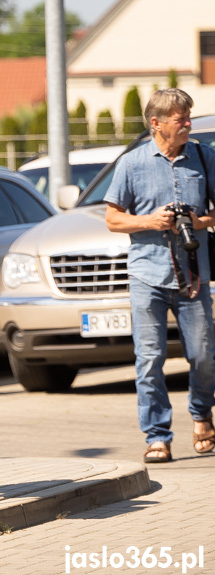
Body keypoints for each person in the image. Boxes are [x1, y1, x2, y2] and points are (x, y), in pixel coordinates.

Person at [104, 88, 215, 463]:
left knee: (202, 356)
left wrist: (201, 221)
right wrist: (151, 221)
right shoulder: (131, 163)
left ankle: (201, 414)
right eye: (180, 118)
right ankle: (157, 436)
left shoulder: (203, 156)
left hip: (193, 276)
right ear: (156, 123)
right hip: (146, 275)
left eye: (188, 117)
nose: (187, 123)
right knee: (148, 359)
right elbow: (113, 219)